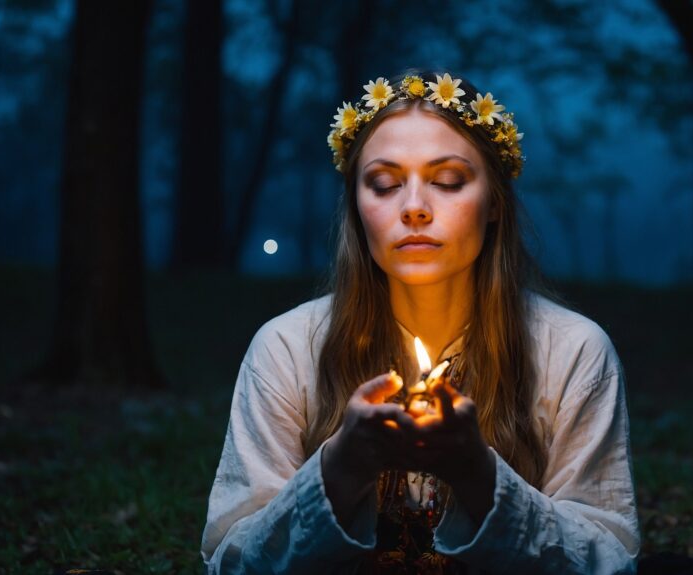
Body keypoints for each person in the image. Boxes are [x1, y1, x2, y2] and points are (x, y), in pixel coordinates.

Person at [200, 70, 640, 574]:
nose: (413, 208)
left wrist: (479, 476)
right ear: (357, 208)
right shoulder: (287, 347)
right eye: (384, 184)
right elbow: (230, 561)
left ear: (494, 202)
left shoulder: (572, 351)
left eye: (448, 181)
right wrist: (338, 470)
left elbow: (609, 561)